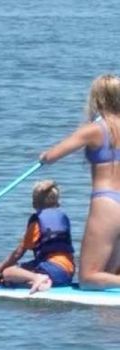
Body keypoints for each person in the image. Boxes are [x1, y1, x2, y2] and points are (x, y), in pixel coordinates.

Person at [40, 73, 120, 289]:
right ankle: (108, 321)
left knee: (89, 278)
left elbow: (52, 156)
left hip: (108, 203)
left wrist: (45, 156)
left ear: (98, 99)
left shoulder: (95, 129)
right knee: (109, 275)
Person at [0, 180, 74, 293]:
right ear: (58, 202)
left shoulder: (37, 222)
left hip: (53, 269)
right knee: (21, 272)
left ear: (34, 204)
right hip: (68, 271)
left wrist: (1, 267)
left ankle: (38, 278)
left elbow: (18, 253)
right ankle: (41, 281)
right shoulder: (62, 218)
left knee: (8, 272)